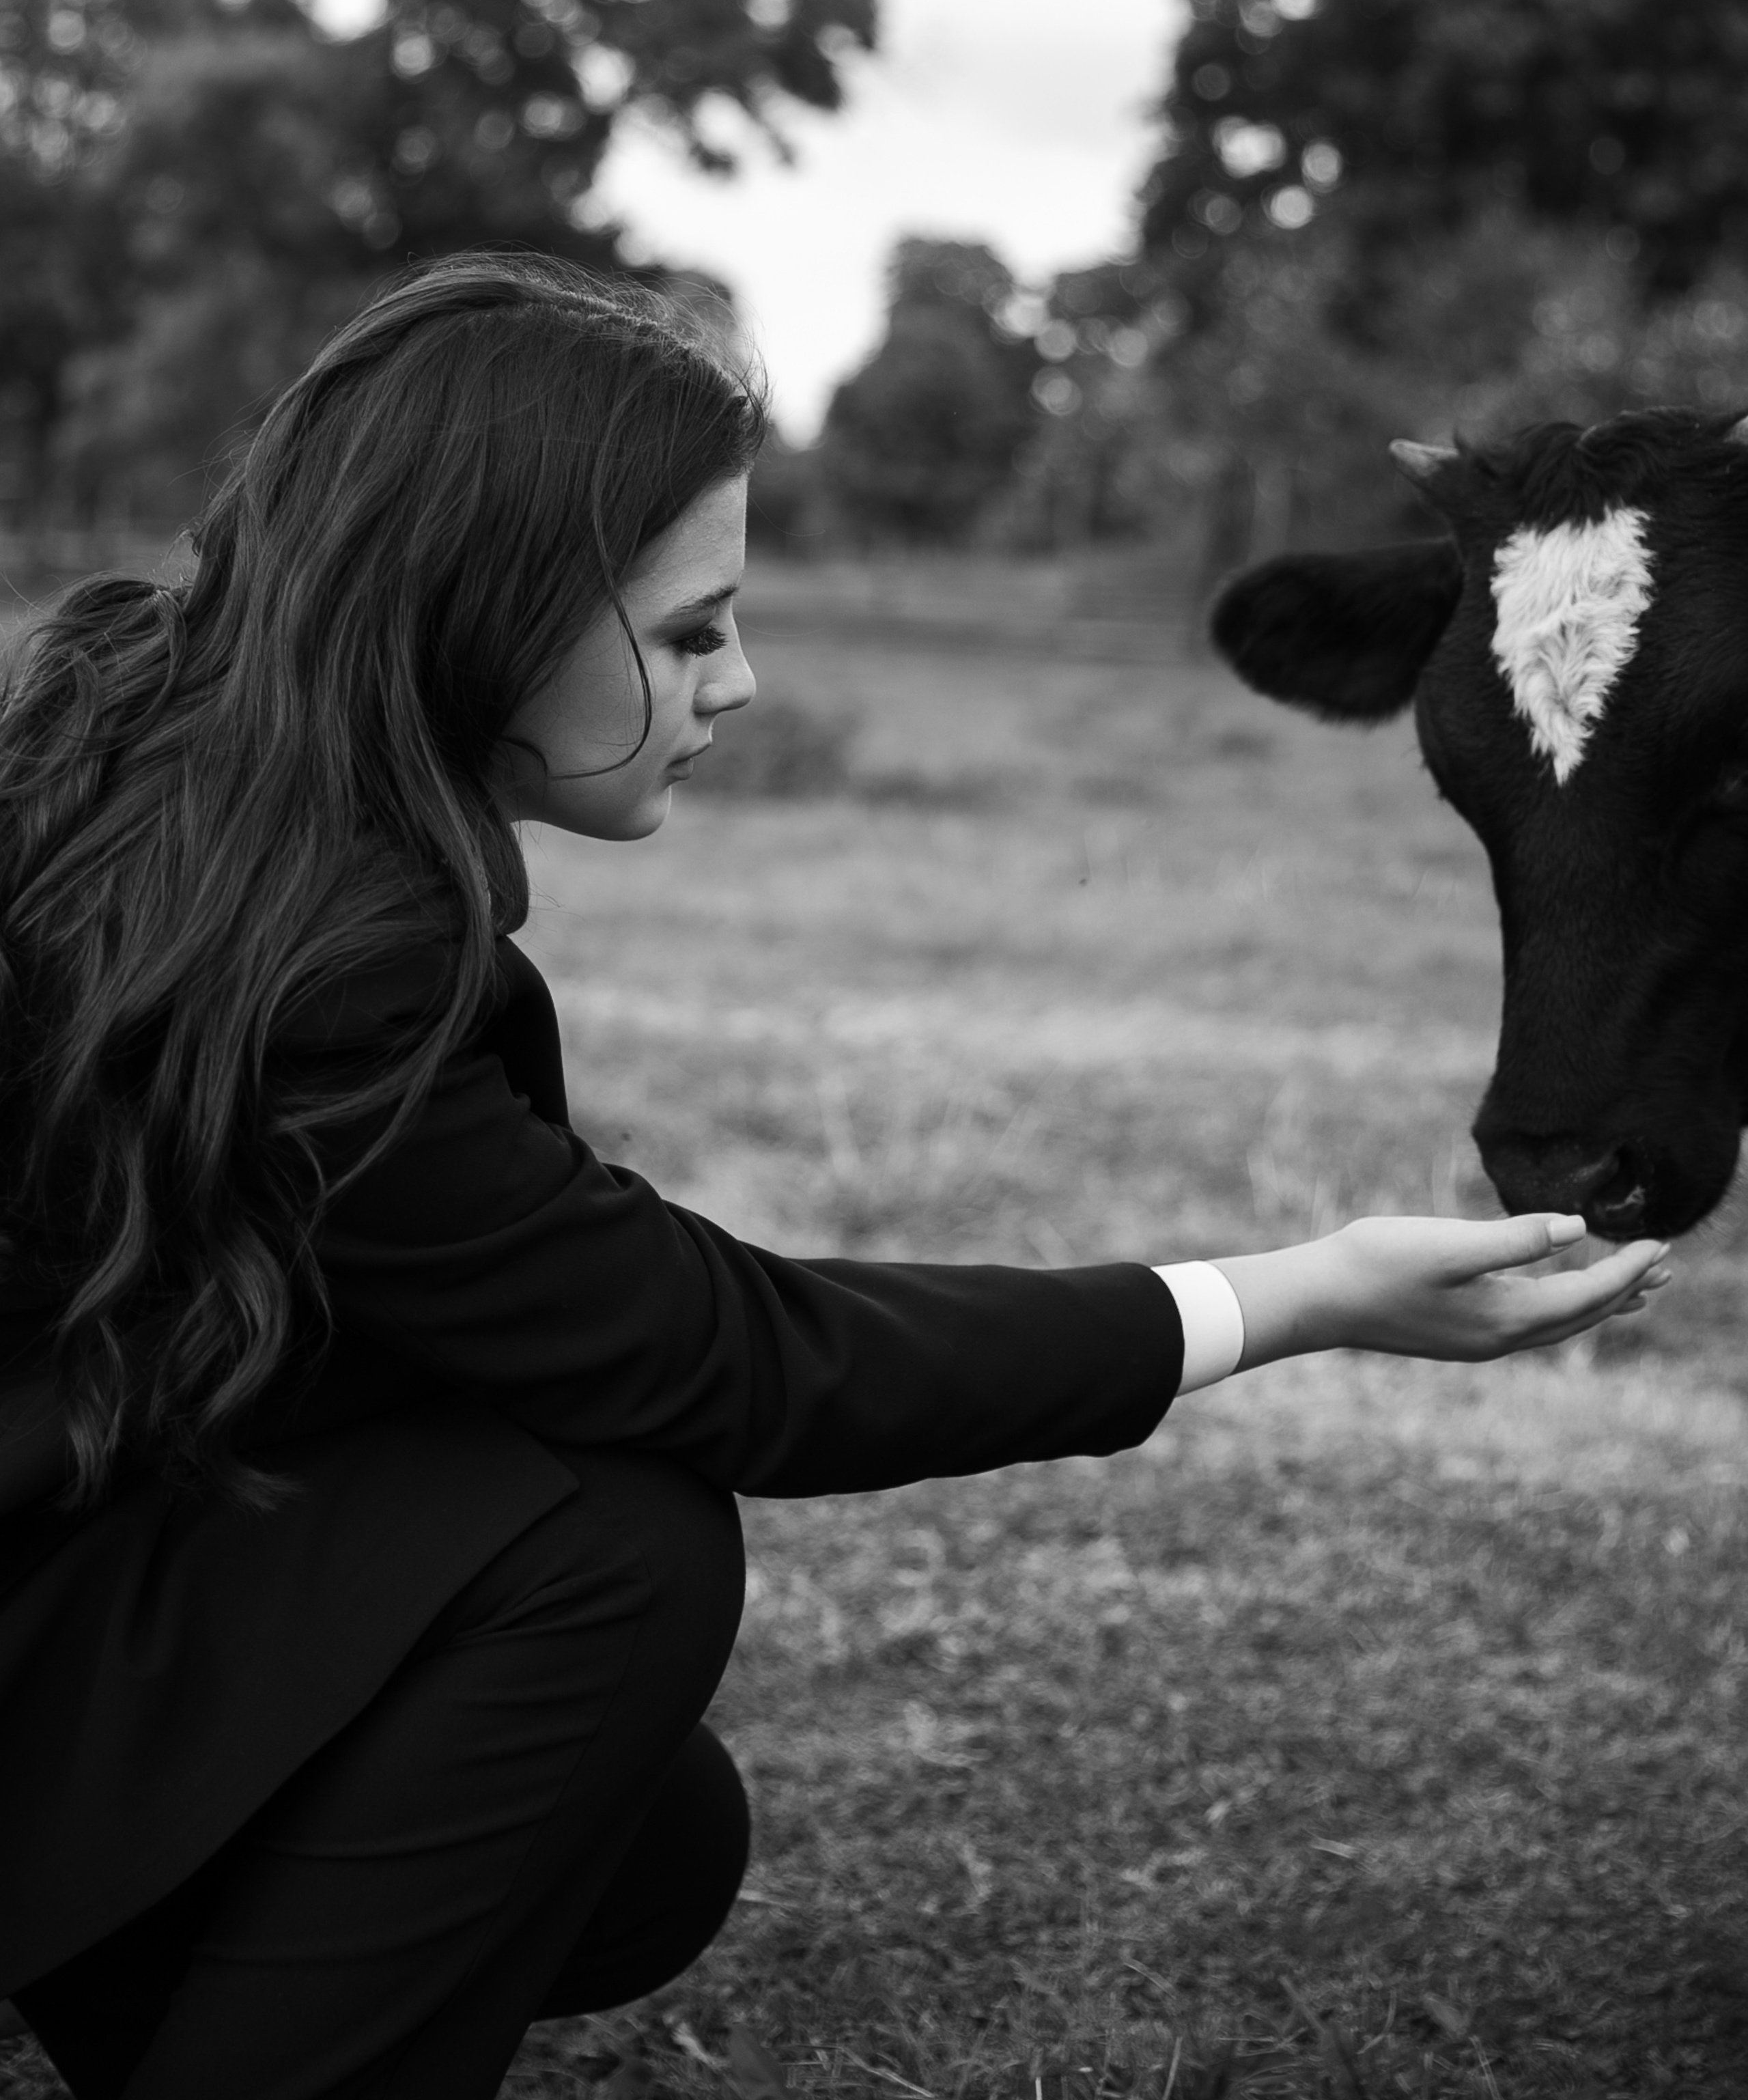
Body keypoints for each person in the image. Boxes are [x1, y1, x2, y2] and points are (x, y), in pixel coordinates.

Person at [0, 253, 1667, 2100]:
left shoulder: (155, 774)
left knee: (646, 1841)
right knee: (606, 1548)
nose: (741, 682)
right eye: (694, 630)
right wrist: (1297, 1297)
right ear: (490, 615)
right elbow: (725, 1361)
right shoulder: (328, 961)